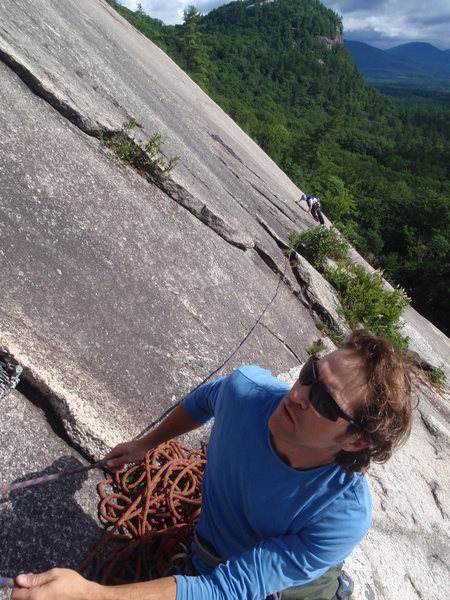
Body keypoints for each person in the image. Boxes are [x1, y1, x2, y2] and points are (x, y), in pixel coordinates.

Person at [12, 329, 412, 600]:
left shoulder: (341, 514)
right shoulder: (247, 392)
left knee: (308, 586)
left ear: (357, 440)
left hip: (290, 583)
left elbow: (232, 587)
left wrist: (95, 594)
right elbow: (205, 402)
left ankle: (335, 586)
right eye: (310, 373)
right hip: (219, 556)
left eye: (326, 403)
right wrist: (144, 445)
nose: (299, 395)